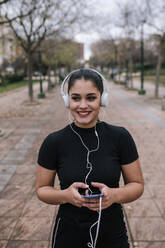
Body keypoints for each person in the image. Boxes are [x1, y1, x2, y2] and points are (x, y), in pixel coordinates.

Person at [35, 68, 144, 248]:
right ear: (67, 100)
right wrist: (65, 196)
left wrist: (114, 195)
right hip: (68, 234)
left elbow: (137, 185)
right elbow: (41, 189)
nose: (83, 105)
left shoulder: (121, 137)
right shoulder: (53, 142)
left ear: (102, 99)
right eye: (76, 98)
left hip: (112, 232)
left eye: (91, 97)